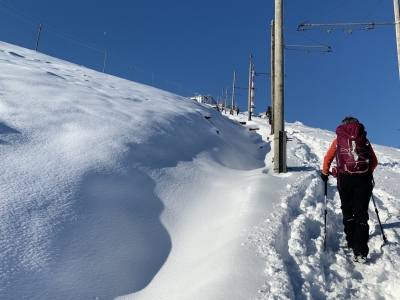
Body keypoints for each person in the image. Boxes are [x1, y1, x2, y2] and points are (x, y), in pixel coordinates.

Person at [321, 116, 378, 263]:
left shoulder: (338, 140)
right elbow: (374, 161)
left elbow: (328, 158)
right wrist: (366, 172)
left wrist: (325, 172)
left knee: (348, 209)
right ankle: (360, 251)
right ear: (357, 124)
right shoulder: (363, 139)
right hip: (363, 180)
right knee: (361, 212)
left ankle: (351, 241)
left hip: (344, 178)